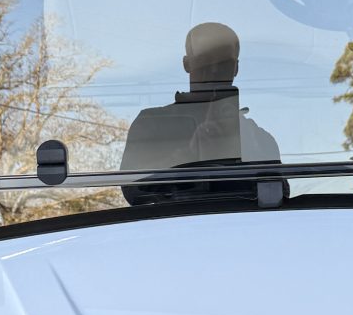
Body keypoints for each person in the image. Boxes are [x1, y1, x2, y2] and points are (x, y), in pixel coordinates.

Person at [120, 22, 283, 206]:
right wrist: (188, 154)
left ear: (236, 68)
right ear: (187, 64)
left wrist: (252, 148)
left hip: (241, 222)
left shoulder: (257, 137)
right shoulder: (151, 123)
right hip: (174, 221)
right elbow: (133, 190)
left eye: (224, 63)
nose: (214, 69)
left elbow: (279, 194)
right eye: (205, 60)